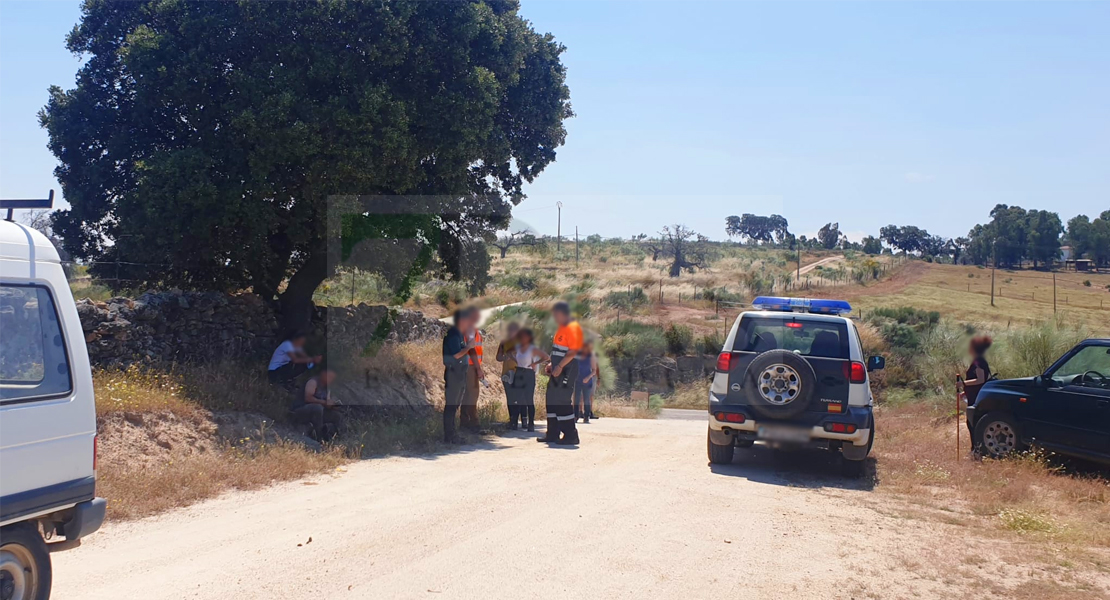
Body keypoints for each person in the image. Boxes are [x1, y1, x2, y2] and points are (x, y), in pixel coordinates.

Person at [539, 301, 583, 445]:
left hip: (568, 369)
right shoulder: (561, 328)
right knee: (551, 398)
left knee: (562, 400)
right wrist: (553, 364)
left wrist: (560, 367)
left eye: (555, 314)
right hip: (559, 368)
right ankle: (552, 433)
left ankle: (571, 435)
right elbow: (560, 351)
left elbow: (573, 351)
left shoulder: (573, 327)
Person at [442, 309, 478, 443]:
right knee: (451, 405)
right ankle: (449, 436)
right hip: (454, 374)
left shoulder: (458, 334)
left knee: (455, 405)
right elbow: (456, 355)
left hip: (459, 373)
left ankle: (452, 434)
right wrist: (469, 347)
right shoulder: (453, 334)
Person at [290, 365, 344, 442]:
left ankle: (334, 438)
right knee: (317, 408)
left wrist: (333, 406)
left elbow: (327, 402)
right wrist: (324, 403)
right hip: (300, 409)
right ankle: (319, 436)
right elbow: (308, 398)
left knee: (337, 416)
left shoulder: (328, 388)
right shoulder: (313, 382)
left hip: (317, 412)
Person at [510, 328, 548, 432]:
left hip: (528, 373)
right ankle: (514, 423)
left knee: (528, 399)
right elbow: (509, 353)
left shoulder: (532, 348)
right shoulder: (518, 347)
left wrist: (535, 363)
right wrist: (515, 360)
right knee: (517, 398)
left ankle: (531, 423)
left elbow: (546, 357)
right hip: (519, 371)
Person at [461, 308, 486, 431]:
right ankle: (473, 424)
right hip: (471, 366)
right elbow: (471, 348)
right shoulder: (471, 328)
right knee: (472, 394)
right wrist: (478, 368)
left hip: (469, 365)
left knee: (467, 395)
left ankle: (465, 422)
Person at [495, 322, 522, 428]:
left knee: (518, 398)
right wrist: (505, 357)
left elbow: (524, 360)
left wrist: (512, 356)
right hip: (506, 373)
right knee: (510, 397)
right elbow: (498, 357)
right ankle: (512, 420)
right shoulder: (504, 342)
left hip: (518, 372)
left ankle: (516, 420)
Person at [958, 335, 993, 405]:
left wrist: (963, 383)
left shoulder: (978, 362)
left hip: (976, 396)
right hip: (976, 395)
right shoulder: (980, 360)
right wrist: (965, 392)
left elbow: (980, 380)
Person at [575, 341, 599, 424]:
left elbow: (594, 370)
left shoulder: (591, 356)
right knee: (576, 399)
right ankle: (576, 416)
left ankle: (586, 416)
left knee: (586, 399)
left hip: (587, 380)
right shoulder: (577, 355)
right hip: (577, 380)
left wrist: (588, 378)